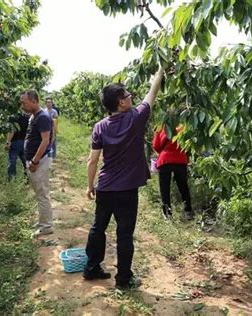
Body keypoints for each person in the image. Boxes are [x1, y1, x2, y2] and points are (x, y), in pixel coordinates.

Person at [83, 68, 164, 289]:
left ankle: (91, 268)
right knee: (125, 234)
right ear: (121, 103)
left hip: (106, 187)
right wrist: (160, 73)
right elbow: (152, 94)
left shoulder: (100, 126)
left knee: (98, 227)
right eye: (128, 96)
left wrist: (90, 186)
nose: (132, 98)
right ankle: (123, 279)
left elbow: (92, 161)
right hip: (127, 190)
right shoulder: (135, 118)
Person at [20, 90, 54, 237]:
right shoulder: (33, 117)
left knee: (42, 194)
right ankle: (42, 222)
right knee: (39, 193)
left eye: (24, 102)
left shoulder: (43, 117)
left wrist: (35, 160)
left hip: (38, 162)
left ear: (34, 101)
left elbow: (46, 140)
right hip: (34, 161)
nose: (22, 105)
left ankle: (46, 226)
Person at [152, 126, 194, 220]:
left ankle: (167, 214)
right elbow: (189, 145)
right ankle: (188, 211)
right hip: (180, 159)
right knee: (183, 186)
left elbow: (156, 146)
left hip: (165, 159)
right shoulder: (184, 127)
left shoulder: (161, 127)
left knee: (165, 188)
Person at [5, 112, 29, 181]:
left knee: (12, 160)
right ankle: (28, 178)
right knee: (25, 161)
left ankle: (12, 178)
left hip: (15, 142)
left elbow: (12, 130)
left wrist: (8, 142)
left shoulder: (13, 117)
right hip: (25, 141)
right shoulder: (27, 116)